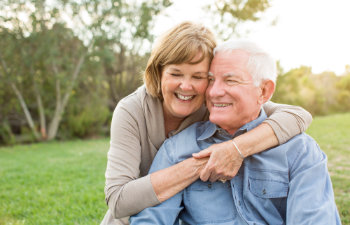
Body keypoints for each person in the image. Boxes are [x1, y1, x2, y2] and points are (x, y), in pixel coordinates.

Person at [101, 22, 313, 225]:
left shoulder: (215, 104)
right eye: (175, 73)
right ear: (158, 73)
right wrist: (206, 161)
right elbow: (118, 200)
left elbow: (297, 115)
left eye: (199, 77)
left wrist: (235, 149)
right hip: (132, 217)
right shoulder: (132, 110)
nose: (186, 86)